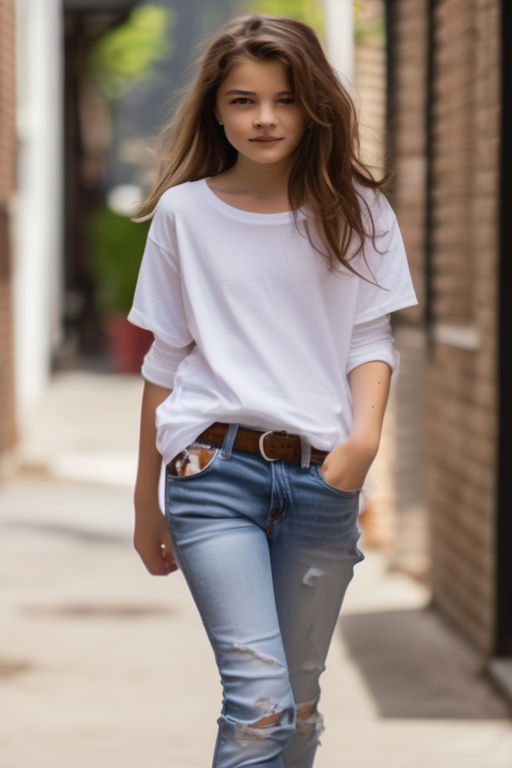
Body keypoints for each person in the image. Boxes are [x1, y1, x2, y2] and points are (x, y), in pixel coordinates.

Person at [128, 13, 417, 768]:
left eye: (284, 99)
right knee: (260, 705)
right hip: (212, 475)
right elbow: (165, 359)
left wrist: (362, 442)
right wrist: (143, 501)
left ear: (314, 102)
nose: (263, 118)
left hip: (322, 480)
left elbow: (368, 341)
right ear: (216, 110)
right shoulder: (185, 214)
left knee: (299, 705)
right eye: (242, 100)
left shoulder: (361, 211)